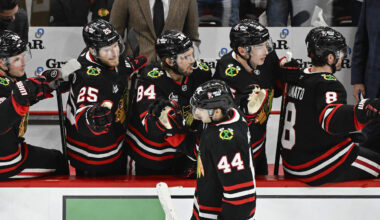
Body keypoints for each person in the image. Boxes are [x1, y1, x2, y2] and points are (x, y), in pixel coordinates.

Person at [280, 26, 380, 186]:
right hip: (315, 166)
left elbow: (309, 122)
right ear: (331, 58)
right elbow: (330, 119)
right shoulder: (328, 84)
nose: (343, 56)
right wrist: (366, 108)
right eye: (341, 52)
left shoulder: (299, 76)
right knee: (377, 163)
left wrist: (347, 134)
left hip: (292, 163)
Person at [65, 19, 147, 176]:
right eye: (108, 50)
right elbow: (83, 112)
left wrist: (127, 66)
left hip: (114, 143)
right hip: (93, 155)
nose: (114, 53)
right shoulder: (88, 77)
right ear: (93, 51)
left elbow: (116, 67)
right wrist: (91, 118)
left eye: (116, 46)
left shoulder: (97, 55)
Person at [125, 30, 211, 175]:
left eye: (192, 54)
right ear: (170, 61)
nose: (192, 61)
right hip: (149, 155)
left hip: (181, 157)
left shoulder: (201, 73)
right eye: (186, 57)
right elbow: (150, 122)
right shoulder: (150, 78)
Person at [214, 19, 290, 175]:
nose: (266, 50)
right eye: (259, 46)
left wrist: (288, 75)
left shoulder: (266, 58)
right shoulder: (228, 70)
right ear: (242, 51)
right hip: (233, 153)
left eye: (266, 44)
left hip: (258, 145)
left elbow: (276, 90)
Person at [0, 30, 67, 180]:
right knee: (60, 162)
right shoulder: (3, 86)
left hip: (10, 148)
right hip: (5, 161)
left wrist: (46, 83)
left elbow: (22, 93)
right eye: (17, 59)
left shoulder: (8, 80)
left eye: (24, 56)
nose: (23, 63)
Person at [190, 79, 256, 220]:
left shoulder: (227, 140)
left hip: (217, 214)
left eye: (201, 108)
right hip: (206, 205)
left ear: (217, 111)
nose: (197, 112)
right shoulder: (225, 116)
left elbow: (240, 197)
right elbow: (203, 152)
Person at [110, 0, 200, 63]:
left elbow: (192, 38)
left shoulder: (188, 1)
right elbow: (113, 36)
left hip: (173, 73)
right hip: (137, 73)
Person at [351, 0, 380, 153]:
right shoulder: (371, 3)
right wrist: (357, 80)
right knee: (370, 138)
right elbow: (361, 42)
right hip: (374, 82)